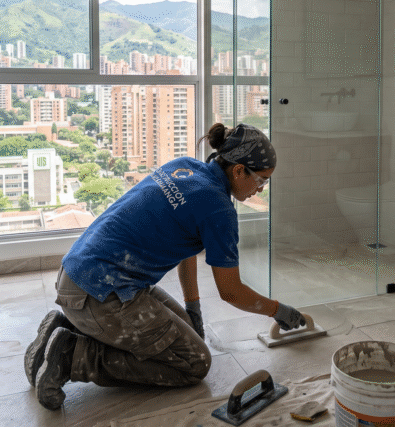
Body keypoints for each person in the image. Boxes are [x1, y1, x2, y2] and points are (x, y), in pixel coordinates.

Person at [24, 122, 307, 410]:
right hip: (100, 294)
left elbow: (187, 251)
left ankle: (63, 328)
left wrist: (193, 308)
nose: (260, 189)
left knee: (187, 337)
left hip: (77, 275)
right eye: (261, 180)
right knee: (193, 362)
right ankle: (72, 358)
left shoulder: (185, 167)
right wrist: (278, 310)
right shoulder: (219, 210)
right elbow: (231, 292)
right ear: (238, 170)